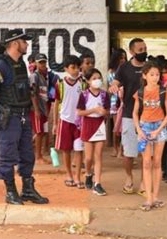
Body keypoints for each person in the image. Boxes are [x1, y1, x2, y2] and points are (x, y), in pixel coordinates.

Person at [0, 29, 49, 205]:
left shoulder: (20, 63)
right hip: (9, 116)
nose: (27, 44)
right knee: (7, 154)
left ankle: (28, 189)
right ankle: (10, 192)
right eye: (24, 41)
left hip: (23, 115)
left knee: (27, 154)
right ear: (14, 44)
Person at [109, 38, 148, 195]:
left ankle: (145, 182)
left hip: (149, 116)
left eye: (145, 48)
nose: (143, 52)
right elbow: (116, 83)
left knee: (147, 152)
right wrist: (113, 86)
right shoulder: (124, 68)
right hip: (129, 115)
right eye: (140, 50)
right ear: (132, 52)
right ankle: (129, 177)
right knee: (129, 151)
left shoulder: (150, 67)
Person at [133, 61, 167, 211]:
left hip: (159, 127)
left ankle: (155, 196)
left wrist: (158, 130)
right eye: (151, 75)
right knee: (146, 163)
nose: (155, 77)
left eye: (157, 74)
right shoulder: (140, 92)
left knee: (157, 162)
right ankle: (148, 197)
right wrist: (139, 130)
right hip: (144, 126)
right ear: (144, 76)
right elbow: (135, 113)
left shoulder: (164, 92)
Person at [53, 55, 86, 188]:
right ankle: (69, 175)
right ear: (66, 68)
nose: (76, 70)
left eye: (78, 67)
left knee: (79, 150)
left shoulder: (83, 84)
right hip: (65, 120)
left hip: (79, 122)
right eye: (73, 67)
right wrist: (55, 123)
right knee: (66, 150)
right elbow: (56, 103)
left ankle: (78, 177)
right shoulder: (60, 84)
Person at [77, 68, 110, 196]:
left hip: (100, 124)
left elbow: (108, 111)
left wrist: (104, 112)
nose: (97, 81)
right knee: (89, 157)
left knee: (98, 155)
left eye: (99, 78)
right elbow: (79, 112)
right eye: (94, 78)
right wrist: (94, 110)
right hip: (87, 123)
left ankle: (98, 183)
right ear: (88, 81)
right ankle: (88, 173)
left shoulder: (104, 94)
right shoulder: (84, 95)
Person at [30, 53, 51, 165]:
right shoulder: (35, 76)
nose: (43, 64)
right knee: (39, 132)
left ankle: (39, 155)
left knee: (41, 132)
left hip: (43, 108)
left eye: (44, 62)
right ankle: (38, 157)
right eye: (40, 62)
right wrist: (36, 109)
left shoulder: (44, 76)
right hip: (36, 109)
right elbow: (32, 93)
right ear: (36, 63)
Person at [107, 48, 126, 158]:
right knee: (116, 128)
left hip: (125, 101)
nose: (123, 60)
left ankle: (122, 150)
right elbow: (112, 87)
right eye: (121, 58)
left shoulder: (126, 69)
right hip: (115, 102)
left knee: (124, 128)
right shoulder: (111, 72)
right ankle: (116, 148)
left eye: (124, 58)